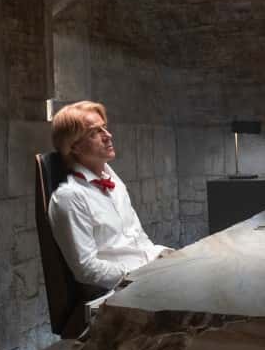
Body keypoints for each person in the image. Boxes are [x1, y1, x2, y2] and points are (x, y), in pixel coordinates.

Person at [48, 101, 174, 290]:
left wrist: (163, 260)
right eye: (94, 133)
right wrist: (140, 275)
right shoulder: (69, 197)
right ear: (74, 147)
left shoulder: (111, 177)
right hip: (125, 286)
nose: (108, 136)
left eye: (104, 127)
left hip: (151, 266)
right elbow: (86, 269)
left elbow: (137, 236)